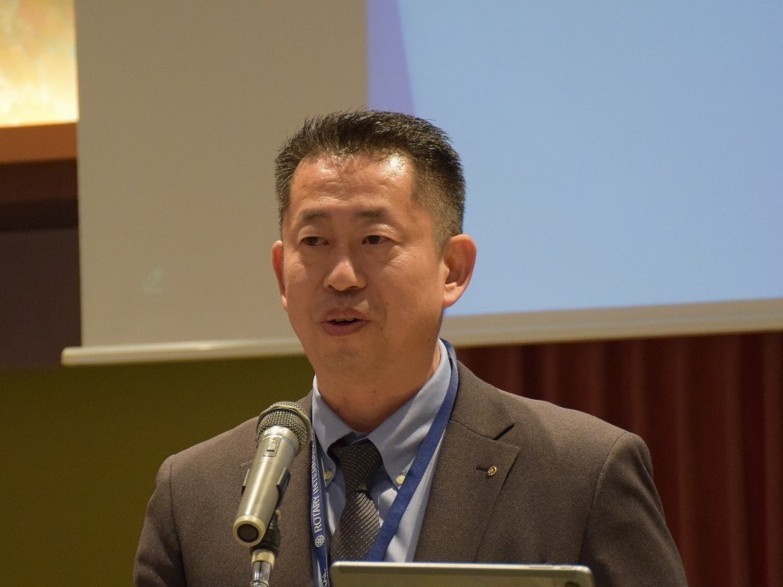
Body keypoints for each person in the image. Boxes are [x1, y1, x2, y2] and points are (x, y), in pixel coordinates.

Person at [134, 111, 687, 586]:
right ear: (282, 273)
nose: (342, 277)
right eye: (314, 241)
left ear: (454, 268)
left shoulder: (580, 473)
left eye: (374, 240)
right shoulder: (197, 494)